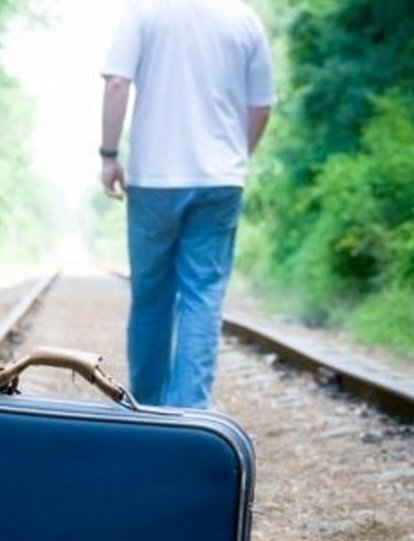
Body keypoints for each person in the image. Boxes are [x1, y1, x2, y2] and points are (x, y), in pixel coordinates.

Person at [100, 0, 276, 409]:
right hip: (221, 181)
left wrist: (109, 155)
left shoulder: (143, 11)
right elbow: (262, 106)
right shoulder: (244, 18)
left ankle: (146, 408)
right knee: (203, 296)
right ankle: (190, 413)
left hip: (153, 181)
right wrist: (236, 157)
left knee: (151, 295)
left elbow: (115, 84)